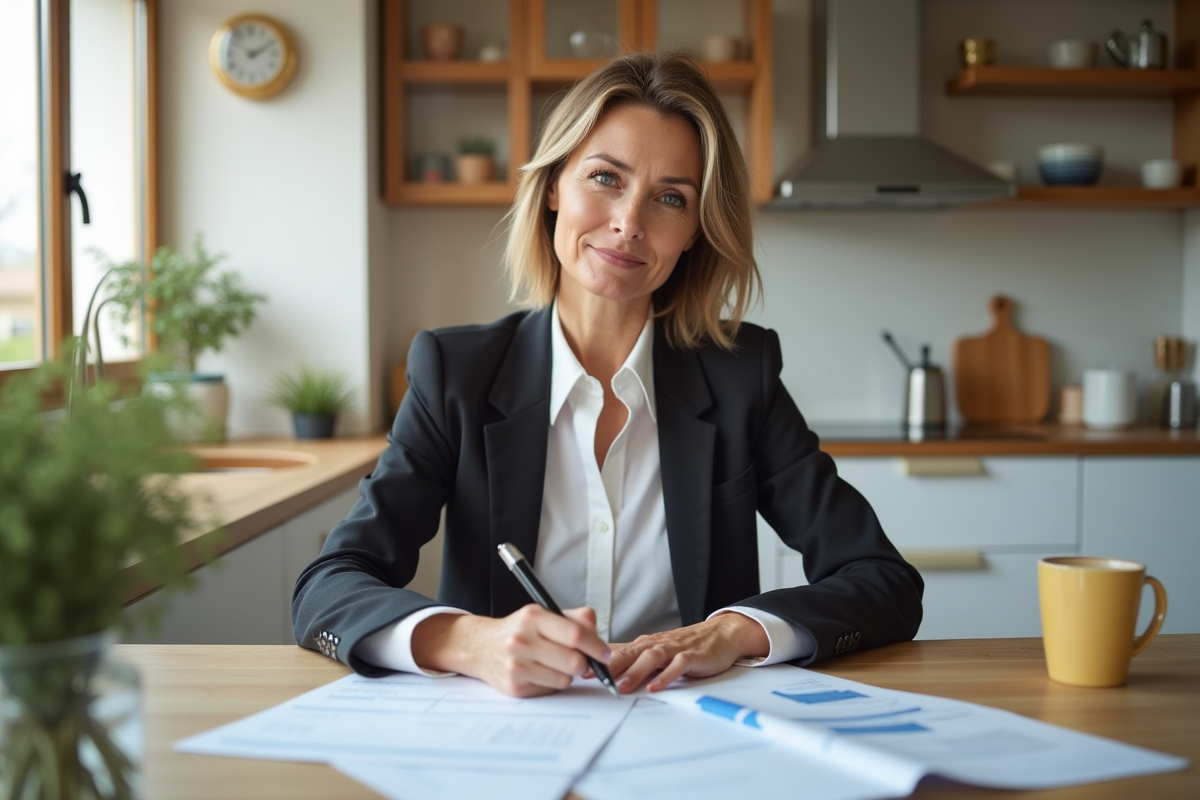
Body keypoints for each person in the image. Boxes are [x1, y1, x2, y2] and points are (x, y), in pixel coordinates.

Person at [292, 51, 922, 698]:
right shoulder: (456, 374)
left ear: (695, 232)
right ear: (553, 188)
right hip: (507, 736)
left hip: (696, 731)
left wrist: (733, 632)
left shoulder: (741, 378)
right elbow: (327, 587)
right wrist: (471, 642)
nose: (628, 223)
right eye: (605, 178)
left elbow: (883, 582)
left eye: (670, 198)